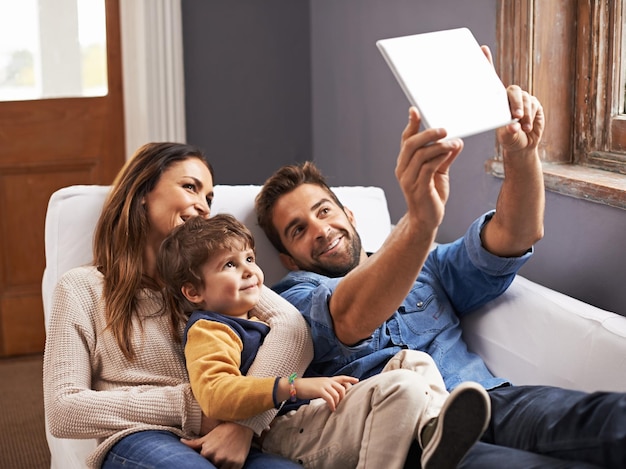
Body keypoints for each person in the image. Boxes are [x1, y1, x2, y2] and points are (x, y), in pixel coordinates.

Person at [254, 54, 626, 467]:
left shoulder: (428, 265)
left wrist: (521, 153)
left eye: (324, 211)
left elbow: (514, 236)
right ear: (288, 259)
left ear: (350, 216)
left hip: (491, 400)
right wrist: (420, 222)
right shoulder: (291, 299)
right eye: (298, 229)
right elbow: (350, 317)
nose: (320, 230)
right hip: (412, 436)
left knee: (613, 421)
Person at [43, 142, 312, 469]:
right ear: (143, 191)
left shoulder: (210, 282)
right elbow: (63, 410)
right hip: (140, 436)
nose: (203, 207)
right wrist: (195, 406)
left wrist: (244, 425)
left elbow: (293, 329)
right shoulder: (81, 287)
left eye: (209, 198)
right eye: (190, 188)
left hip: (225, 432)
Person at [157, 213, 492, 469]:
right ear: (194, 291)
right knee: (401, 387)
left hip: (307, 416)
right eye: (230, 265)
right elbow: (215, 395)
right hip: (283, 432)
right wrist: (294, 386)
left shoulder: (255, 318)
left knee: (413, 361)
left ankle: (432, 431)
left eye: (248, 259)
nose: (248, 271)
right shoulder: (210, 330)